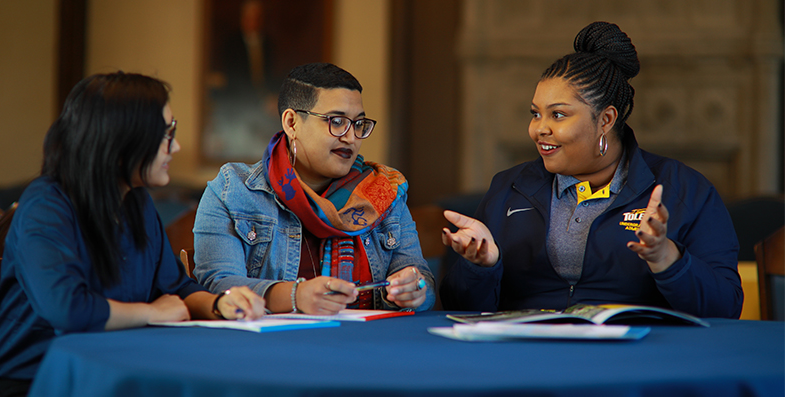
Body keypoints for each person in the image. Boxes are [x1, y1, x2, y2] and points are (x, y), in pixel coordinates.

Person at [0, 72, 265, 396]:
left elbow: (177, 287)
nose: (176, 146)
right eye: (165, 134)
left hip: (115, 371)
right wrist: (151, 312)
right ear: (119, 140)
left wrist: (221, 305)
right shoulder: (46, 204)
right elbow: (67, 308)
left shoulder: (136, 201)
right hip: (35, 381)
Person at [439, 22, 743, 319]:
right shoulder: (509, 188)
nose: (538, 129)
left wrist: (667, 259)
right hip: (528, 356)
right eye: (535, 114)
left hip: (637, 357)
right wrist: (480, 266)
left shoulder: (685, 189)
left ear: (606, 120)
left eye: (558, 115)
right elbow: (457, 309)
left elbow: (725, 309)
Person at [193, 62, 434, 314]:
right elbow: (217, 285)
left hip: (367, 344)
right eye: (337, 121)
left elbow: (422, 278)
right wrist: (295, 296)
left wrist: (415, 289)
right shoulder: (234, 191)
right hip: (272, 347)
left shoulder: (383, 192)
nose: (351, 137)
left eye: (359, 124)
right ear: (292, 123)